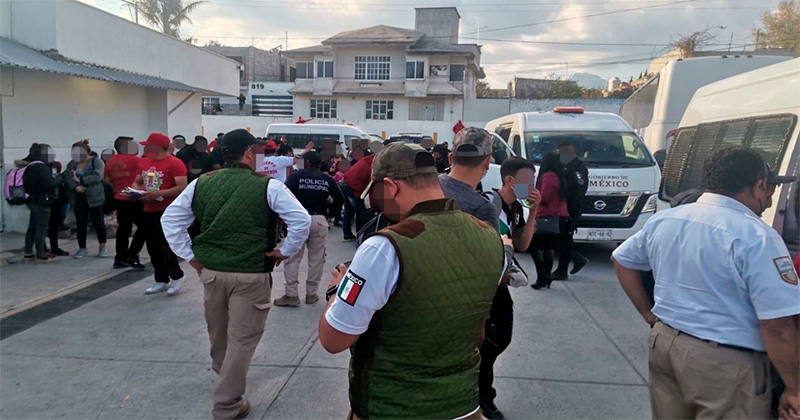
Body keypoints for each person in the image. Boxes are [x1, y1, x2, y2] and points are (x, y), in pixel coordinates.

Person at [318, 142, 508, 419]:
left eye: (378, 196)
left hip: (394, 408)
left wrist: (337, 290)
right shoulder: (489, 236)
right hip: (464, 405)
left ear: (391, 187)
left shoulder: (384, 247)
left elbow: (333, 339)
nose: (377, 205)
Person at [612, 147, 800, 420]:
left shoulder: (666, 219)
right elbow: (778, 327)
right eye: (768, 190)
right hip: (725, 364)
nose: (769, 202)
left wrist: (648, 314)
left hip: (666, 345)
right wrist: (794, 388)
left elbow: (622, 261)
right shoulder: (757, 236)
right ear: (759, 185)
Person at [162, 129, 310, 420]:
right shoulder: (268, 186)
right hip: (250, 273)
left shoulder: (201, 183)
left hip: (212, 272)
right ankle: (227, 405)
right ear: (248, 153)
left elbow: (171, 220)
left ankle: (226, 376)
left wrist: (191, 257)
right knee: (243, 338)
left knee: (218, 333)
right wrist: (284, 251)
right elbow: (301, 220)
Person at [438, 127, 519, 419]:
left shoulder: (428, 188)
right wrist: (506, 248)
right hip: (467, 299)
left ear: (451, 157)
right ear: (487, 162)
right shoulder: (482, 208)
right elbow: (493, 269)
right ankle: (478, 403)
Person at [479, 157, 542, 419]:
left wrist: (533, 212)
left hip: (501, 283)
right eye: (529, 181)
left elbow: (522, 245)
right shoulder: (487, 204)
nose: (533, 186)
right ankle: (483, 398)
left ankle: (481, 393)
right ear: (510, 180)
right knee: (488, 343)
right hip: (483, 284)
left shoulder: (516, 208)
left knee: (501, 337)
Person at [275, 151, 344, 307]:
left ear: (306, 162)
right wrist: (330, 215)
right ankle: (311, 294)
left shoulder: (295, 177)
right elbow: (340, 198)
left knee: (292, 258)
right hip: (319, 219)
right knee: (317, 259)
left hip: (298, 220)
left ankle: (291, 294)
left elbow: (283, 196)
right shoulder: (327, 179)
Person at [133, 132, 188, 296]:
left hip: (167, 210)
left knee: (162, 243)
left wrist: (160, 193)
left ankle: (177, 275)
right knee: (151, 245)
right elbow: (137, 181)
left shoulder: (175, 163)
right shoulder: (144, 162)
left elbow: (182, 186)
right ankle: (161, 279)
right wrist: (136, 191)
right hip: (148, 209)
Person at [104, 136, 146, 270]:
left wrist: (118, 189)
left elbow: (108, 180)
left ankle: (120, 258)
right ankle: (132, 255)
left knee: (123, 230)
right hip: (135, 198)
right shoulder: (137, 160)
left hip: (120, 198)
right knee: (144, 227)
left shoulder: (110, 162)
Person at [529, 152, 568, 290]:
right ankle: (546, 276)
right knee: (548, 248)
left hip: (544, 215)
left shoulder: (548, 177)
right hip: (554, 216)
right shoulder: (559, 176)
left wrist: (532, 196)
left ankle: (542, 275)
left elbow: (544, 197)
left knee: (534, 247)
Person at [65, 140, 108, 259]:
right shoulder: (72, 164)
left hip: (95, 195)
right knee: (80, 223)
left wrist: (80, 180)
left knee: (98, 222)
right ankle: (82, 248)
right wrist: (75, 186)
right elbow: (67, 176)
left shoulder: (96, 162)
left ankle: (102, 246)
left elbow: (97, 176)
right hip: (78, 196)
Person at [552, 142, 589, 280]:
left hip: (571, 208)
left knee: (565, 238)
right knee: (561, 239)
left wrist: (569, 209)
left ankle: (562, 270)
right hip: (565, 207)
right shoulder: (567, 167)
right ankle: (577, 259)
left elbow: (578, 189)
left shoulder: (577, 168)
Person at [22, 143, 64, 263]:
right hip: (43, 201)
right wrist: (60, 178)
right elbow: (49, 184)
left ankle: (28, 253)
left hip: (32, 200)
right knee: (41, 229)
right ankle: (41, 253)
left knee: (32, 228)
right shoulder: (42, 168)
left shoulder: (30, 166)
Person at [340, 141, 381, 240]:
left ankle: (347, 234)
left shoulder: (369, 159)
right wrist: (374, 205)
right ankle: (361, 235)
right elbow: (372, 185)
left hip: (345, 182)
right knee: (361, 211)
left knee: (349, 210)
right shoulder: (375, 164)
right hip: (352, 187)